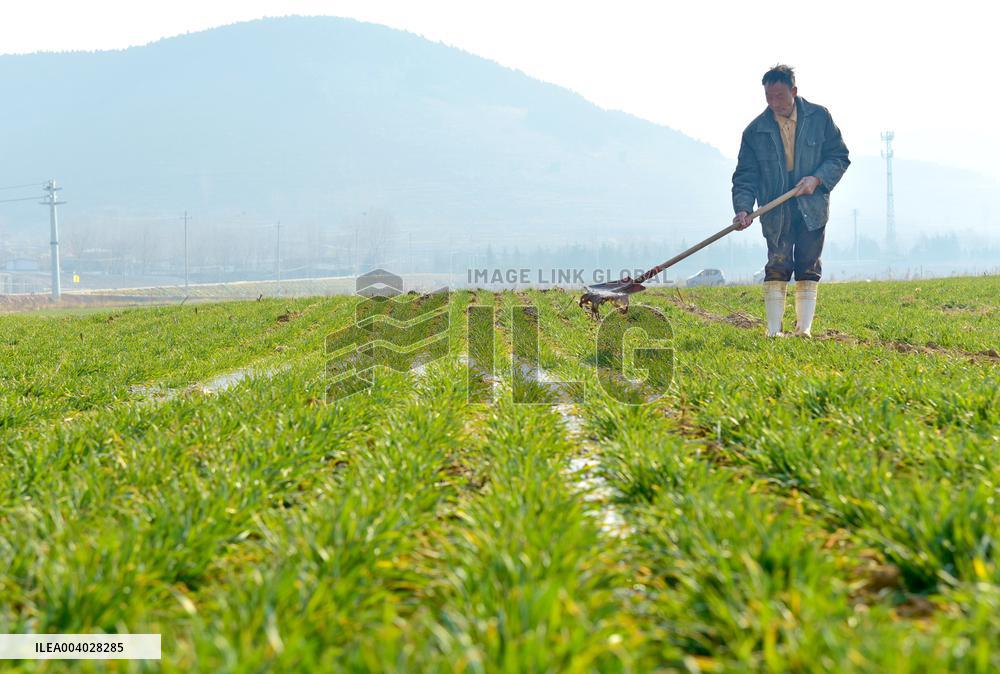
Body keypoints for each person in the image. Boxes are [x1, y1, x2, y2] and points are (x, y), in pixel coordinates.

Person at [731, 64, 850, 337]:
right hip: (775, 210)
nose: (775, 104)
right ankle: (774, 331)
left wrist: (816, 179)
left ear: (794, 91)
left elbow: (838, 157)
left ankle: (803, 330)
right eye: (769, 98)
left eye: (780, 97)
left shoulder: (820, 118)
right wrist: (743, 209)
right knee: (778, 264)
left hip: (813, 206)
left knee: (809, 264)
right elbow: (745, 176)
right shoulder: (755, 132)